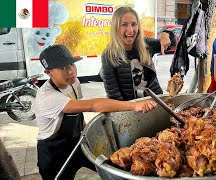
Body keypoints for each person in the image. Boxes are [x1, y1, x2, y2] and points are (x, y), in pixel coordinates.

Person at [35, 44, 157, 180]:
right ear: (48, 72)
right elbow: (93, 105)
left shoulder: (73, 83)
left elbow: (78, 114)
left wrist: (86, 131)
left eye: (71, 65)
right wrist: (134, 106)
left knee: (113, 169)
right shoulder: (48, 97)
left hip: (77, 143)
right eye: (62, 68)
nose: (70, 71)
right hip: (54, 154)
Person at [100, 7, 175, 101]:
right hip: (130, 111)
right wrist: (132, 109)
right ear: (115, 27)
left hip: (155, 102)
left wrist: (165, 34)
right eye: (124, 25)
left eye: (133, 24)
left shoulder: (146, 44)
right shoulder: (108, 55)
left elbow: (172, 44)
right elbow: (114, 95)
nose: (130, 30)